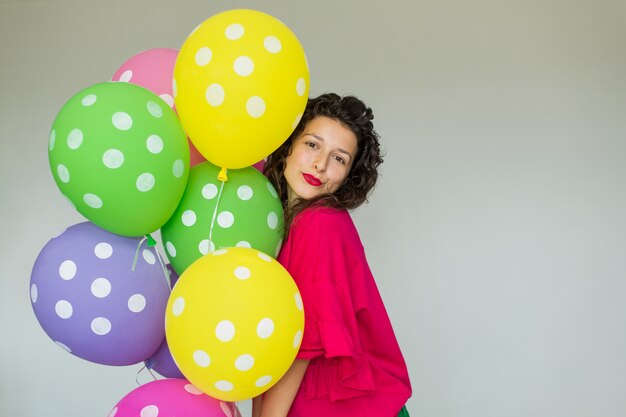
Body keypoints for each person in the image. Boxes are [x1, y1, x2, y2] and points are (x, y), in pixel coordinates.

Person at [255, 93, 412, 417]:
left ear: (349, 175)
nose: (320, 165)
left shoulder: (320, 222)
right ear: (289, 146)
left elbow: (303, 344)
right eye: (312, 144)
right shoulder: (285, 225)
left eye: (339, 158)